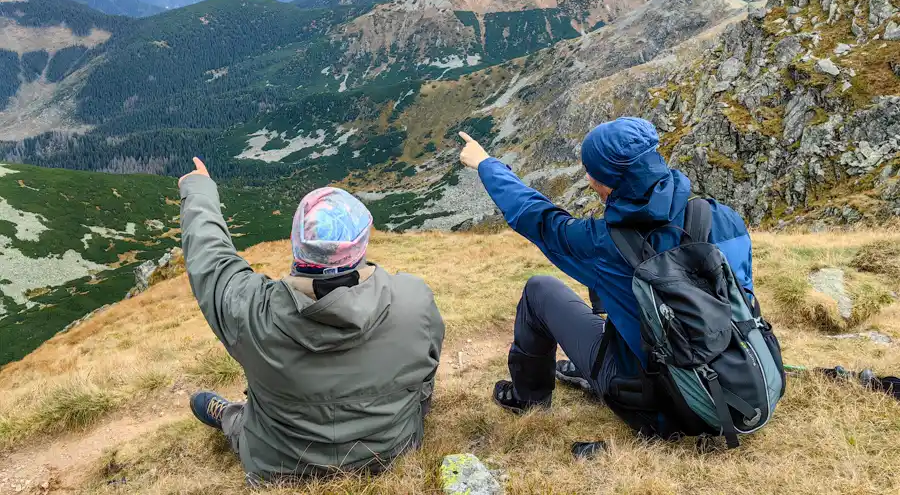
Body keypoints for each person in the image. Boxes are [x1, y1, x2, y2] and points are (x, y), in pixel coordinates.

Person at [458, 118, 754, 437]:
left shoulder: (606, 243)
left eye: (592, 172)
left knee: (538, 290)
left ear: (611, 183)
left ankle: (527, 399)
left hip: (661, 408)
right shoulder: (721, 217)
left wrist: (486, 164)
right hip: (740, 385)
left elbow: (537, 218)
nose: (588, 178)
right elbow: (743, 299)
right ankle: (603, 364)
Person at [178, 158, 444, 483]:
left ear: (296, 244)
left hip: (281, 466)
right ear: (360, 246)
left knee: (250, 424)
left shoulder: (250, 310)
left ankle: (231, 417)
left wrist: (198, 189)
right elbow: (427, 370)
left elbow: (210, 258)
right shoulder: (414, 300)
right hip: (392, 450)